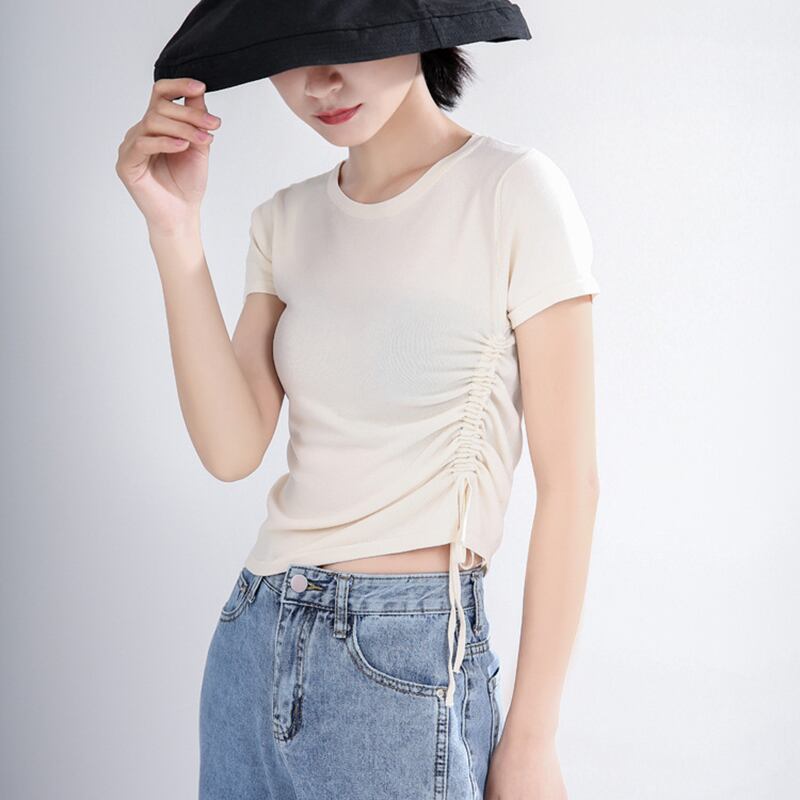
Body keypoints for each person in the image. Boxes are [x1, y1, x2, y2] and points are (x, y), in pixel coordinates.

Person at [116, 45, 599, 800]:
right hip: (254, 636)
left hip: (404, 657)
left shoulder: (511, 191)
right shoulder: (285, 220)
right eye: (292, 53)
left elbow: (571, 485)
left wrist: (533, 738)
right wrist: (175, 232)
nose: (320, 83)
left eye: (345, 43)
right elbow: (231, 448)